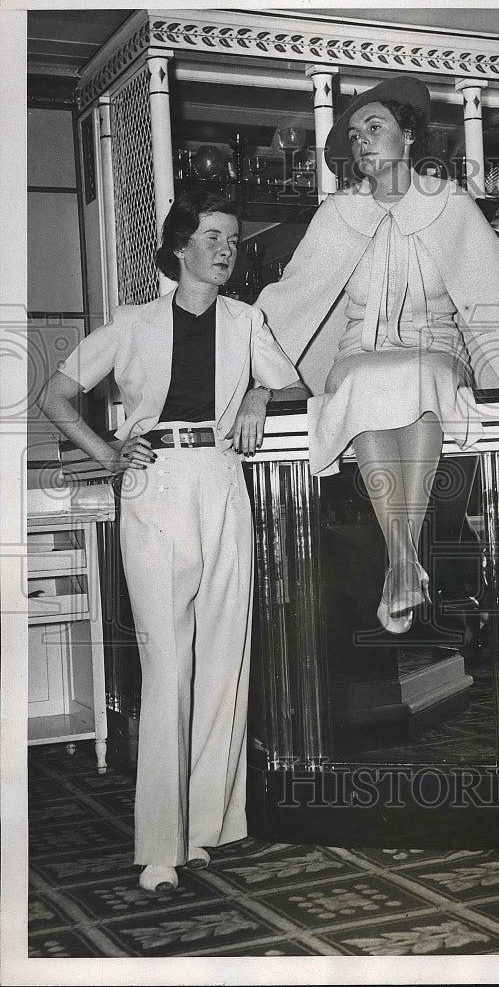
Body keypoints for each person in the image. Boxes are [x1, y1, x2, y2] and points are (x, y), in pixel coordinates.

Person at [39, 189, 308, 892]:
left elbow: (293, 385)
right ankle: (160, 843)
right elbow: (54, 396)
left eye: (234, 240)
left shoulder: (249, 321)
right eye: (214, 237)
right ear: (179, 246)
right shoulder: (132, 323)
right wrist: (104, 455)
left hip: (221, 480)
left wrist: (255, 393)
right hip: (153, 484)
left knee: (223, 657)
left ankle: (206, 829)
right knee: (168, 665)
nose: (227, 250)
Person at [259, 75, 499, 633]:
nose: (362, 143)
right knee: (356, 382)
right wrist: (253, 374)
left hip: (437, 349)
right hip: (358, 353)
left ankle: (401, 556)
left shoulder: (450, 205)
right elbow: (290, 299)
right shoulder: (337, 214)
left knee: (420, 375)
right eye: (353, 136)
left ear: (409, 135)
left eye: (374, 128)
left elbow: (497, 287)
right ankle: (403, 557)